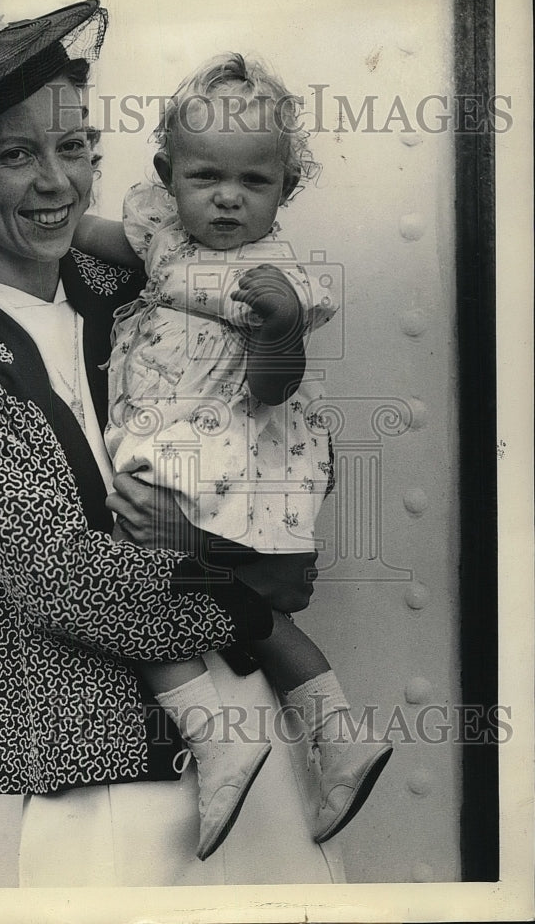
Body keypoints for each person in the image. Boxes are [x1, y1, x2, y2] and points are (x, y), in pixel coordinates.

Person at [0, 0, 345, 886]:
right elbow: (63, 583)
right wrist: (249, 591)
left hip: (253, 732)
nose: (58, 183)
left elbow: (276, 425)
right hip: (112, 784)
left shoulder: (130, 291)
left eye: (74, 145)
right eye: (17, 155)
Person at [74, 53, 392, 857]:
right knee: (253, 610)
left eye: (252, 183)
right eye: (205, 176)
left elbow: (276, 385)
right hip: (174, 443)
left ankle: (213, 737)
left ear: (285, 190)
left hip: (218, 456)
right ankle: (340, 733)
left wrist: (280, 329)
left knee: (128, 580)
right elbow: (102, 238)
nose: (226, 197)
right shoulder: (164, 236)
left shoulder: (278, 276)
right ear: (167, 175)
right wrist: (50, 211)